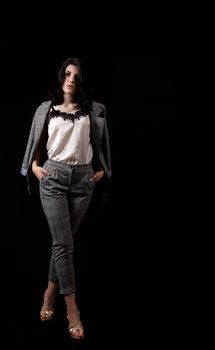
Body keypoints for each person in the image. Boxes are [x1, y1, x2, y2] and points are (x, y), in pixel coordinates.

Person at [20, 57, 112, 340]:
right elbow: (35, 142)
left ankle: (48, 295)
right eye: (67, 74)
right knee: (64, 244)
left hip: (83, 181)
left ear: (81, 80)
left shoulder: (94, 110)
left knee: (64, 243)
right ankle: (73, 310)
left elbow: (101, 146)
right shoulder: (45, 110)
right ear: (61, 77)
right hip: (54, 178)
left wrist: (99, 172)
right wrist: (35, 167)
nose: (72, 79)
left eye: (77, 75)